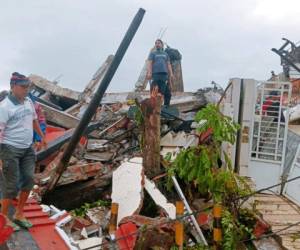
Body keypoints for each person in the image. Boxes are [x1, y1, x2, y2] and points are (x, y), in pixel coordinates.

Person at [0, 72, 47, 231]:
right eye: (23, 87)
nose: (26, 90)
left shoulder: (28, 102)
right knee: (10, 185)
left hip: (27, 148)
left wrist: (41, 137)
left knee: (28, 179)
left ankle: (19, 214)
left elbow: (34, 120)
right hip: (9, 149)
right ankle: (4, 218)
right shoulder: (5, 107)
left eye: (28, 87)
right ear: (13, 87)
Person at [146, 39, 174, 106]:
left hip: (164, 75)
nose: (157, 44)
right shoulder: (153, 53)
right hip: (155, 75)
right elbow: (149, 63)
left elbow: (168, 64)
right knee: (155, 92)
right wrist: (149, 72)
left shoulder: (165, 54)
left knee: (167, 93)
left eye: (159, 43)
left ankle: (166, 107)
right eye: (156, 43)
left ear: (162, 45)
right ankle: (154, 107)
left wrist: (171, 73)